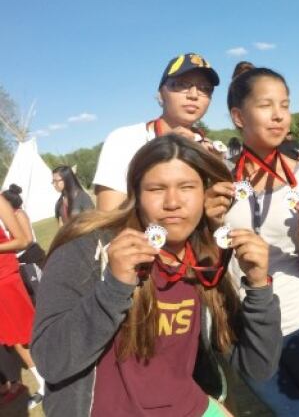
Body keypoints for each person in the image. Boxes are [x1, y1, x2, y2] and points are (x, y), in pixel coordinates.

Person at [32, 134, 282, 416]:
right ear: (136, 194)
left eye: (187, 187)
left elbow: (258, 368)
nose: (172, 202)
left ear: (205, 194)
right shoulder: (89, 249)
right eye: (156, 189)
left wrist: (259, 286)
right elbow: (50, 361)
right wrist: (113, 287)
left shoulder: (203, 261)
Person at [205, 62, 299, 416]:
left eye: (285, 105)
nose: (278, 116)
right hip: (246, 326)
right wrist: (210, 224)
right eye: (265, 105)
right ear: (238, 116)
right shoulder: (218, 182)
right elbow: (205, 267)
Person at [93, 52, 222, 211]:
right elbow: (108, 215)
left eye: (205, 88)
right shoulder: (125, 140)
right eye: (181, 85)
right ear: (161, 93)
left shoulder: (209, 150)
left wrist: (217, 172)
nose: (193, 95)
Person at [0, 191, 41, 409]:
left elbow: (23, 239)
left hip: (6, 277)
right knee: (13, 338)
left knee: (26, 333)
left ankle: (51, 378)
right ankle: (42, 381)